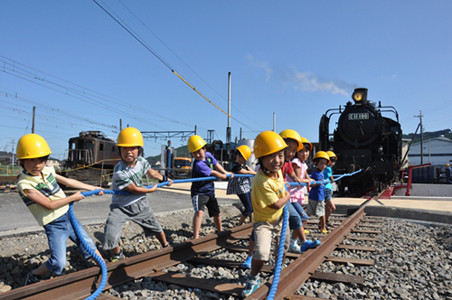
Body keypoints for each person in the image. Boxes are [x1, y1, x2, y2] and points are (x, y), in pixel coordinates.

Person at [16, 133, 104, 285]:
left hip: (69, 217)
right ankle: (34, 274)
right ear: (21, 161)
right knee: (58, 263)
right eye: (31, 160)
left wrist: (93, 188)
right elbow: (49, 205)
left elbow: (69, 182)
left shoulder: (48, 170)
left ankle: (105, 270)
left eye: (41, 160)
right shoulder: (24, 185)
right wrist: (72, 198)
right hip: (54, 224)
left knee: (88, 245)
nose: (37, 165)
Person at [103, 127, 172, 261]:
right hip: (120, 207)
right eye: (124, 148)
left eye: (133, 148)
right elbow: (133, 189)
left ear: (139, 150)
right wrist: (151, 190)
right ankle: (118, 255)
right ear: (120, 150)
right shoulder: (119, 171)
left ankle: (166, 246)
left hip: (140, 204)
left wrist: (163, 179)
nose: (129, 152)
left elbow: (151, 172)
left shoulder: (141, 161)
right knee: (110, 233)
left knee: (156, 227)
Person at [241, 131, 291, 298]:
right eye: (271, 157)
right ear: (261, 159)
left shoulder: (277, 172)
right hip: (264, 222)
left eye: (280, 155)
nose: (277, 161)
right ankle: (253, 277)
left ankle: (277, 271)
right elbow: (277, 203)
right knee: (262, 253)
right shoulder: (261, 180)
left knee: (283, 248)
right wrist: (288, 196)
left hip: (281, 219)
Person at [280, 129, 318, 253]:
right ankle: (298, 242)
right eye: (301, 151)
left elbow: (300, 176)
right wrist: (306, 181)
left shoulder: (299, 163)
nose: (304, 154)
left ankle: (294, 242)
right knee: (302, 218)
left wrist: (309, 180)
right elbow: (297, 178)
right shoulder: (294, 162)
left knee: (300, 219)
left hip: (294, 195)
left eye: (307, 151)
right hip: (290, 195)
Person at [187, 135, 233, 239]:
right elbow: (214, 173)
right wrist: (225, 176)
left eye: (199, 151)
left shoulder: (208, 155)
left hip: (210, 190)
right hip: (199, 192)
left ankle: (220, 231)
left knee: (216, 213)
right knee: (199, 212)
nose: (197, 154)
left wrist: (226, 172)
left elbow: (217, 165)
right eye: (194, 153)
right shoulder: (198, 164)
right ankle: (196, 237)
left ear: (204, 149)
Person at [226, 145, 256, 225]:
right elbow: (246, 172)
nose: (241, 159)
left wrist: (247, 167)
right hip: (240, 189)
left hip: (246, 187)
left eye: (243, 158)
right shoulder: (235, 166)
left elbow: (249, 170)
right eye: (240, 156)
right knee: (248, 208)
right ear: (236, 155)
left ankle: (251, 223)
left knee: (251, 206)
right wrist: (256, 173)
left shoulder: (243, 165)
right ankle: (239, 225)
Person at [307, 151, 330, 234]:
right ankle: (323, 228)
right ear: (316, 163)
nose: (323, 166)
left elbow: (319, 181)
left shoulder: (319, 172)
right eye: (321, 163)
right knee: (322, 213)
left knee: (309, 212)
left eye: (325, 164)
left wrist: (323, 181)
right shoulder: (316, 173)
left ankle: (302, 227)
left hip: (314, 195)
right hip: (318, 196)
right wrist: (322, 181)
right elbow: (316, 183)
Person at [324, 151, 337, 229]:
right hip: (327, 189)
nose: (332, 162)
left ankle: (326, 221)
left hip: (328, 189)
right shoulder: (328, 169)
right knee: (332, 208)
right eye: (331, 160)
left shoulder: (326, 168)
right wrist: (333, 180)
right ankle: (323, 221)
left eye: (333, 160)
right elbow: (331, 177)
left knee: (328, 207)